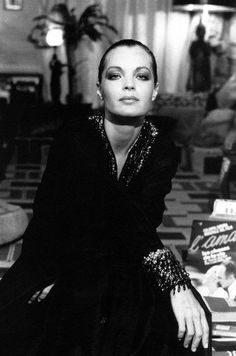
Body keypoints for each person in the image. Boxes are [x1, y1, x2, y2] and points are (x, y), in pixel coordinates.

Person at [0, 39, 210, 355]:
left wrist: (176, 286)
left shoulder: (163, 148)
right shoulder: (76, 138)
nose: (128, 85)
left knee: (187, 321)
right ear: (100, 89)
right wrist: (49, 270)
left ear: (154, 90)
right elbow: (49, 216)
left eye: (141, 76)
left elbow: (139, 224)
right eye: (115, 76)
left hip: (126, 252)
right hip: (62, 249)